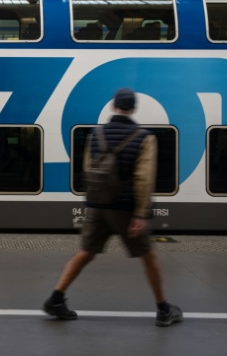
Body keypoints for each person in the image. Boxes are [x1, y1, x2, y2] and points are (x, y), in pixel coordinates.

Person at [43, 88, 183, 327]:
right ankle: (163, 309)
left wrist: (93, 201)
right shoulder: (144, 137)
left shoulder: (96, 135)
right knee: (148, 255)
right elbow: (143, 179)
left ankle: (56, 298)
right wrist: (140, 213)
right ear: (134, 109)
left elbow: (88, 170)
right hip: (125, 208)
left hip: (97, 205)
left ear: (113, 106)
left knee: (86, 251)